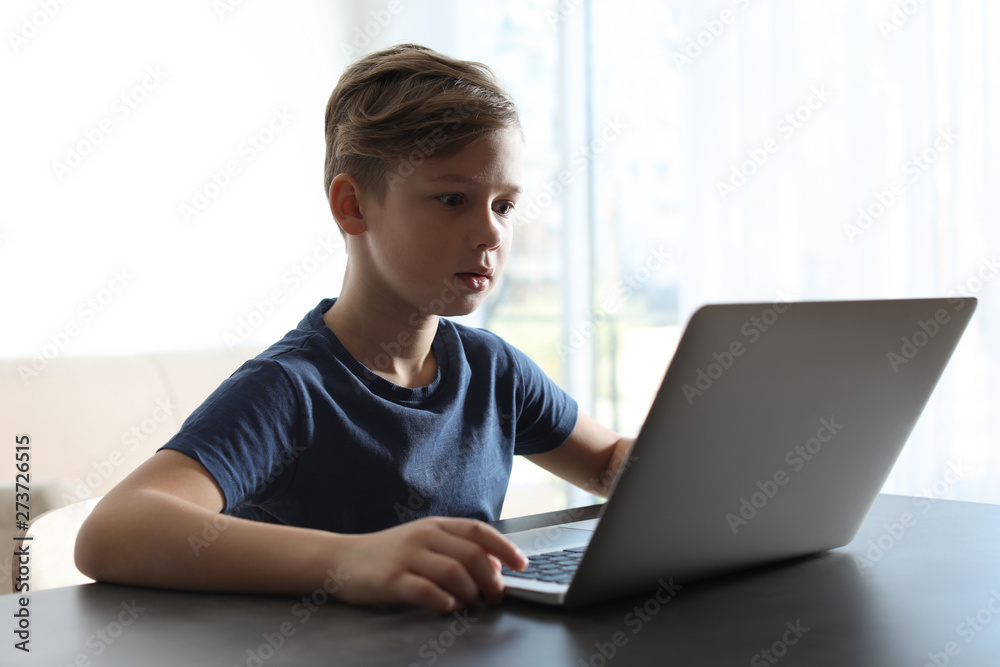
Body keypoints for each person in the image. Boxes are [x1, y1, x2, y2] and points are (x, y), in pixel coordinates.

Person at [75, 43, 634, 614]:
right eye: (452, 199)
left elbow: (607, 460)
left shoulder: (495, 370)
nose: (491, 233)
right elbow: (112, 531)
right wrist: (351, 560)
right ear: (353, 206)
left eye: (505, 206)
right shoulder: (291, 388)